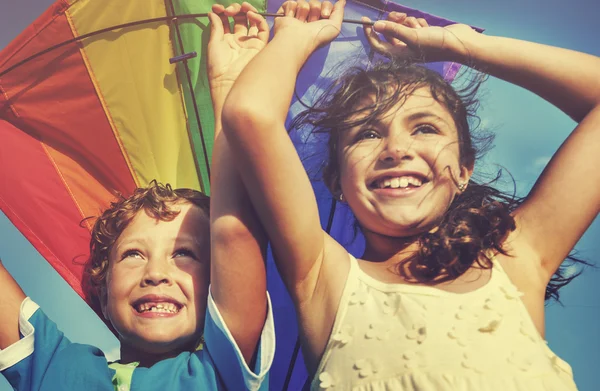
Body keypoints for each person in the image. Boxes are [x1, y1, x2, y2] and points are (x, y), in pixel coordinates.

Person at [221, 0, 600, 389]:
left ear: (465, 169)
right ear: (336, 183)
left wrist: (461, 47)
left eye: (425, 129)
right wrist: (297, 38)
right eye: (367, 133)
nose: (396, 149)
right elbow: (250, 114)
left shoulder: (519, 259)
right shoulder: (322, 278)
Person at [0, 4, 274, 390]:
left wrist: (229, 87)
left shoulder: (222, 374)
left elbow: (234, 232)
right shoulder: (57, 369)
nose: (156, 274)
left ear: (219, 283)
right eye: (132, 254)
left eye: (185, 253)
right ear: (102, 286)